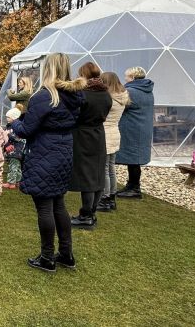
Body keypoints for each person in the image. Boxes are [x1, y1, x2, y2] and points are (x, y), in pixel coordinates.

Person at [11, 53, 83, 273]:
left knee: (44, 206)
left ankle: (47, 256)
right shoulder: (74, 97)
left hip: (44, 152)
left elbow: (27, 130)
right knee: (58, 204)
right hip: (63, 151)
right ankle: (66, 253)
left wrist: (14, 122)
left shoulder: (44, 97)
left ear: (48, 69)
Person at [68, 63, 112, 230]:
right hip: (99, 135)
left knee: (86, 176)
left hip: (82, 135)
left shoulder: (83, 94)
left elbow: (75, 115)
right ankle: (91, 212)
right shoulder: (105, 94)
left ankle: (85, 215)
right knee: (97, 174)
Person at [116, 67, 155, 199]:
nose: (125, 79)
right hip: (142, 129)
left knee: (133, 159)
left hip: (133, 130)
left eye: (126, 76)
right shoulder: (147, 90)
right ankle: (132, 185)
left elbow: (118, 105)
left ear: (132, 78)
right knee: (135, 159)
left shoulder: (131, 91)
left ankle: (134, 189)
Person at [97, 72, 130, 212]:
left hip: (105, 134)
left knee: (104, 168)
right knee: (110, 167)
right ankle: (111, 197)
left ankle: (104, 198)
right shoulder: (122, 97)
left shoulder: (109, 99)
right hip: (115, 133)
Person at [3, 108, 25, 190]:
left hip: (16, 150)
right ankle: (18, 181)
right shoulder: (10, 125)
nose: (7, 119)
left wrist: (8, 134)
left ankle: (11, 182)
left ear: (14, 117)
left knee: (13, 166)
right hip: (13, 149)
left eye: (8, 117)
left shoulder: (18, 126)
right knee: (17, 166)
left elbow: (18, 137)